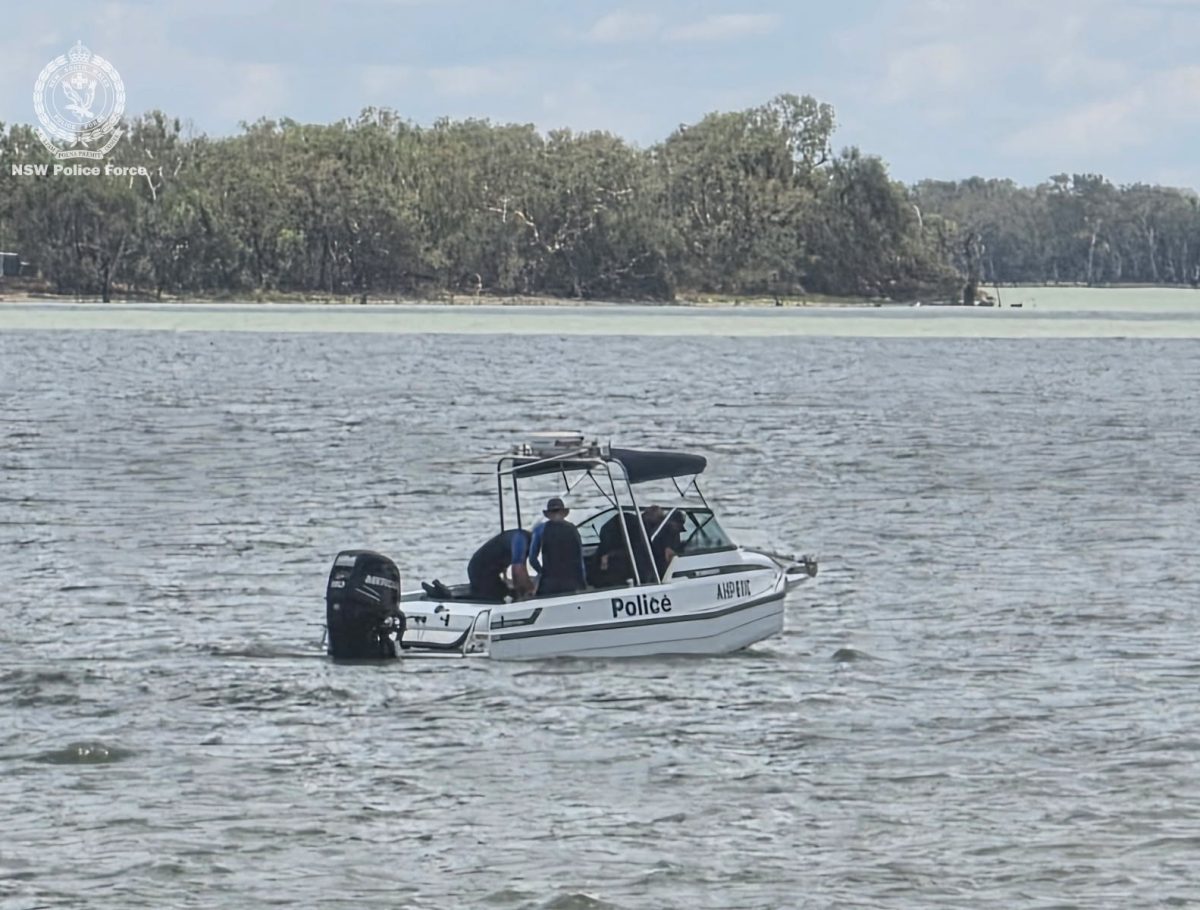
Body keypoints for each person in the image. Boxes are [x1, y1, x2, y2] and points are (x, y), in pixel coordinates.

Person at [529, 497, 586, 596]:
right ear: (564, 513)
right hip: (570, 581)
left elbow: (532, 558)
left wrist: (542, 572)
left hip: (549, 582)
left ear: (548, 514)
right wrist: (582, 583)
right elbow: (579, 558)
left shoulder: (540, 529)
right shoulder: (573, 529)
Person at [466, 527, 532, 602]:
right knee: (496, 596)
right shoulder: (521, 540)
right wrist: (531, 591)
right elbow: (517, 570)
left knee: (507, 591)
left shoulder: (520, 537)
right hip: (480, 570)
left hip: (483, 567)